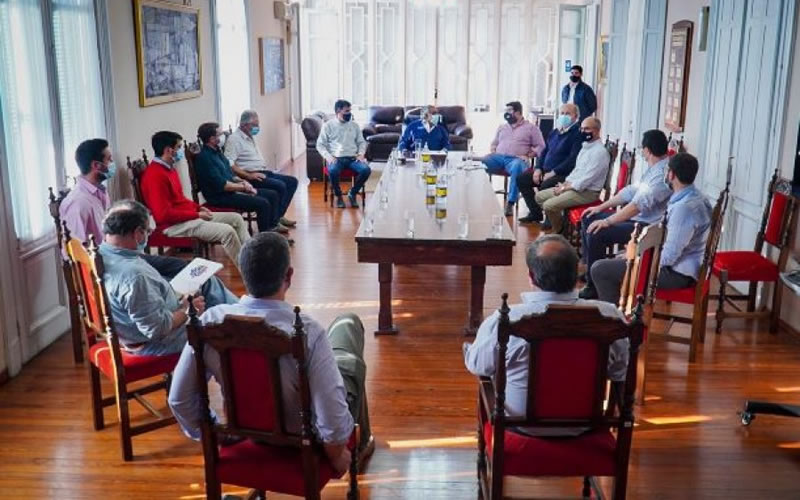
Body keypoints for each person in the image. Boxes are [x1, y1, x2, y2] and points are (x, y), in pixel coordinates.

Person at [168, 233, 374, 476]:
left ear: (244, 273)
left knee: (336, 363)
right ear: (289, 276)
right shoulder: (308, 331)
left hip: (245, 432)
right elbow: (331, 417)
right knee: (348, 332)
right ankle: (361, 444)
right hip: (302, 440)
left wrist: (216, 433)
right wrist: (336, 455)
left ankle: (363, 440)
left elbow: (179, 399)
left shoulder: (210, 322)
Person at [463, 235, 628, 436]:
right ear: (577, 272)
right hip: (586, 425)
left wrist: (469, 351)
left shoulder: (506, 319)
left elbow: (478, 366)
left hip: (521, 427)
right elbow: (620, 371)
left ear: (531, 276)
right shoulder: (610, 317)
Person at [98, 200, 237, 356]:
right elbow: (158, 329)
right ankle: (246, 323)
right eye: (148, 232)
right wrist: (188, 310)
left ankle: (243, 316)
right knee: (219, 322)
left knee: (207, 282)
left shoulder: (101, 253)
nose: (148, 236)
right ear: (137, 234)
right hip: (159, 342)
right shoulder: (135, 276)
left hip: (133, 326)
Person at [592, 153, 712, 305]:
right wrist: (637, 252)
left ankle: (613, 317)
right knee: (616, 260)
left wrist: (636, 258)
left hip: (677, 274)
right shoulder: (696, 197)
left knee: (600, 269)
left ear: (671, 175)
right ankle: (619, 311)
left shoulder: (684, 209)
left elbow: (669, 256)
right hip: (683, 268)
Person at [578, 129, 672, 299]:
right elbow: (630, 192)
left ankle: (594, 286)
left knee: (597, 231)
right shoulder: (655, 168)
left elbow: (637, 206)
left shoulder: (662, 175)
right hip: (637, 219)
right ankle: (591, 269)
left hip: (647, 228)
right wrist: (600, 208)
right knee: (589, 217)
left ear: (647, 150)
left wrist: (608, 221)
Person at [140, 131, 251, 271]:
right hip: (172, 226)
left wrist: (198, 208)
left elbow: (180, 199)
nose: (181, 152)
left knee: (236, 218)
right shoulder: (155, 176)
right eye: (179, 147)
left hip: (187, 217)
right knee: (227, 232)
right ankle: (248, 272)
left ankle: (252, 258)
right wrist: (196, 215)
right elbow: (163, 215)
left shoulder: (169, 168)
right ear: (169, 150)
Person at [194, 122, 289, 236]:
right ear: (212, 139)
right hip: (220, 197)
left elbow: (230, 175)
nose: (223, 136)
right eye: (220, 134)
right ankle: (265, 238)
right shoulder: (205, 158)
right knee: (263, 203)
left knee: (272, 195)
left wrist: (244, 182)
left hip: (231, 190)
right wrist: (244, 188)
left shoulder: (217, 152)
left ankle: (273, 229)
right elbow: (223, 185)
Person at [534, 117, 610, 235]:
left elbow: (586, 181)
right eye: (582, 129)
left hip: (587, 192)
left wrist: (564, 188)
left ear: (596, 131)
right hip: (574, 187)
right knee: (539, 196)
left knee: (549, 205)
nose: (583, 132)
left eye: (587, 129)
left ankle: (559, 232)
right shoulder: (586, 147)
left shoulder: (600, 152)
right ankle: (562, 224)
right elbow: (576, 171)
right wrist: (565, 184)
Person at [225, 110, 298, 227]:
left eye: (258, 124)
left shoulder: (249, 136)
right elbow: (229, 164)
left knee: (292, 181)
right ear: (244, 125)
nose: (257, 128)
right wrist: (249, 175)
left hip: (263, 172)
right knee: (280, 186)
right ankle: (274, 221)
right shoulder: (234, 139)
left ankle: (277, 217)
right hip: (250, 176)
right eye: (254, 125)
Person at [517, 103, 583, 225]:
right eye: (562, 113)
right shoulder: (555, 132)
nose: (564, 116)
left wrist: (553, 173)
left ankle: (550, 218)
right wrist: (538, 168)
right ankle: (535, 213)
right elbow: (544, 152)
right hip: (545, 170)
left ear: (575, 116)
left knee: (546, 184)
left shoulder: (578, 135)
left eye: (568, 114)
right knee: (522, 179)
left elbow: (572, 160)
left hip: (563, 173)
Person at [482, 101, 546, 217]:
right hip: (499, 158)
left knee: (517, 166)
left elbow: (541, 147)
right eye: (506, 111)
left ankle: (510, 203)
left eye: (509, 111)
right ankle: (482, 197)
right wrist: (493, 149)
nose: (506, 113)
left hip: (516, 160)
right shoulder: (502, 127)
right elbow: (494, 142)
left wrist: (530, 154)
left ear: (518, 113)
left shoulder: (531, 128)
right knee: (482, 161)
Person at [316, 99, 372, 209]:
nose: (349, 113)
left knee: (366, 170)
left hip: (353, 158)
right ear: (338, 111)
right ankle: (339, 196)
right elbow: (320, 145)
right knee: (333, 171)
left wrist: (361, 153)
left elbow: (361, 142)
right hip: (336, 159)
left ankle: (352, 193)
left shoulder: (354, 125)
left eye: (350, 111)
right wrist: (328, 157)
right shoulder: (328, 126)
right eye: (346, 111)